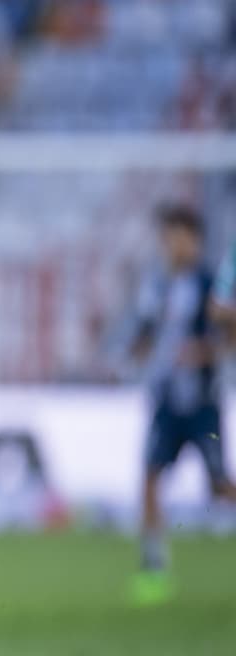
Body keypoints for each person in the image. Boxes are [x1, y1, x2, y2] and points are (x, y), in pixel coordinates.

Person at [130, 204, 236, 606]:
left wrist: (205, 351)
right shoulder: (156, 286)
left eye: (180, 237)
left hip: (202, 405)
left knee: (220, 488)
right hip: (166, 404)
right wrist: (138, 353)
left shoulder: (212, 284)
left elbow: (228, 339)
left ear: (195, 241)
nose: (173, 245)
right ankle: (153, 567)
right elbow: (144, 332)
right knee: (150, 481)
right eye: (167, 237)